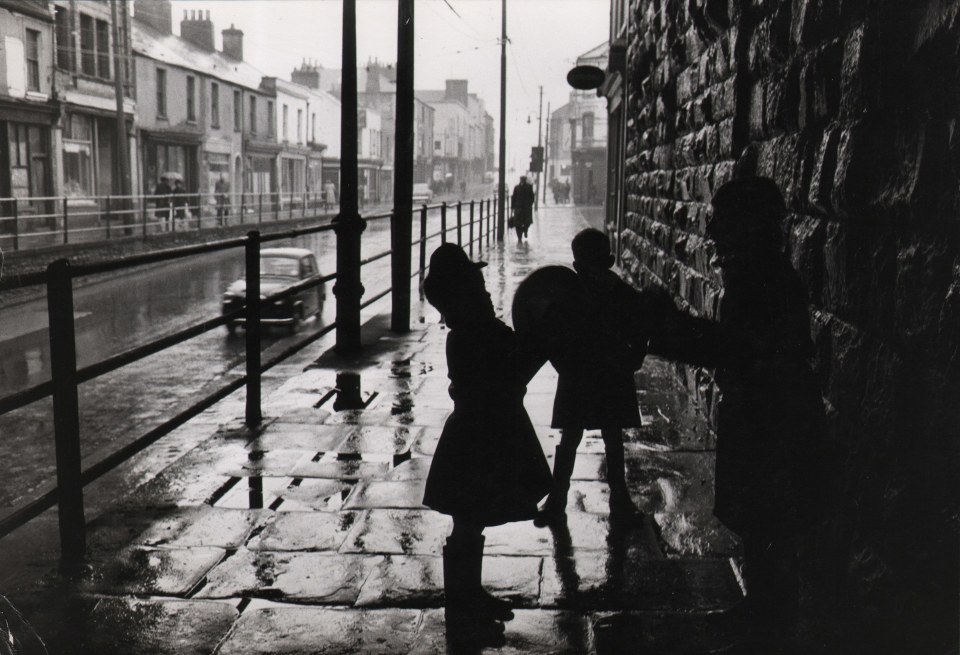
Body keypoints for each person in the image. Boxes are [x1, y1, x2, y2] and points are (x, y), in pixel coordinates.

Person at [704, 176, 826, 651]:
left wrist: (671, 331)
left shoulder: (765, 282)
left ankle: (772, 628)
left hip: (772, 425)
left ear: (747, 226)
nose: (713, 231)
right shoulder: (757, 274)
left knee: (771, 523)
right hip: (762, 418)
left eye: (722, 221)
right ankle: (760, 608)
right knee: (760, 525)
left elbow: (744, 351)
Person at [422, 243, 552, 649]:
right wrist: (538, 348)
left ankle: (469, 594)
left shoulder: (476, 331)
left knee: (471, 519)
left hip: (482, 434)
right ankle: (462, 605)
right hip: (480, 439)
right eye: (478, 289)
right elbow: (509, 376)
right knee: (467, 519)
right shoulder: (470, 337)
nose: (487, 293)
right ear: (461, 299)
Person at [534, 228, 672, 523]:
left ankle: (605, 497)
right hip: (597, 373)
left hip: (596, 373)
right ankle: (565, 496)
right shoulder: (612, 293)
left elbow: (637, 330)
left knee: (600, 435)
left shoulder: (605, 294)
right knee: (582, 434)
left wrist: (629, 357)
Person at [510, 176, 535, 242]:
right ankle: (519, 238)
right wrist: (513, 207)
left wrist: (529, 204)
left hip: (526, 209)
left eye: (523, 180)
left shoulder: (529, 187)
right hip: (518, 208)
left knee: (527, 222)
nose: (522, 181)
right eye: (521, 179)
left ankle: (525, 230)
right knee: (517, 224)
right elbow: (514, 198)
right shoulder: (517, 188)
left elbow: (532, 197)